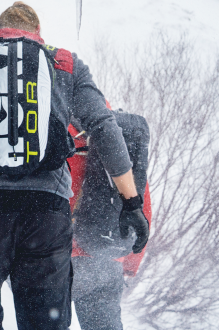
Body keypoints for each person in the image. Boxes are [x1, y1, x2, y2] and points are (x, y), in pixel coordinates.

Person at [0, 1, 150, 330]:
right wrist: (132, 202)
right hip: (46, 218)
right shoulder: (64, 65)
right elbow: (105, 129)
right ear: (37, 35)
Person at [68, 113, 152, 330]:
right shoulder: (122, 140)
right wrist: (129, 264)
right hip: (107, 262)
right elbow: (143, 210)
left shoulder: (59, 130)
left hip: (62, 259)